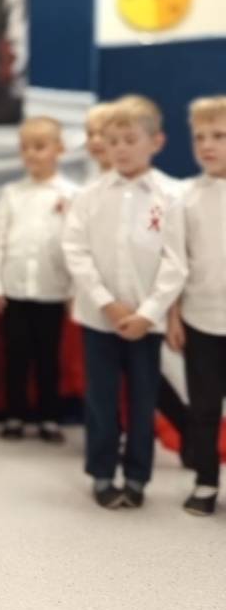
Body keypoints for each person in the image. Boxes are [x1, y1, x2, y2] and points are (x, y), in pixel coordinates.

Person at [62, 96, 186, 509]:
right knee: (101, 398)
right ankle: (102, 473)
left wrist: (148, 313)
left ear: (156, 142)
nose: (120, 149)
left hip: (146, 322)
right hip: (100, 319)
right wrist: (107, 304)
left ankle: (136, 476)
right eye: (113, 141)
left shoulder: (172, 195)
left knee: (143, 399)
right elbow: (75, 250)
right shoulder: (89, 195)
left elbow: (175, 261)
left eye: (130, 140)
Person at [0, 117, 76, 442]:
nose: (32, 154)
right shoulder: (12, 194)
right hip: (16, 289)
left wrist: (73, 289)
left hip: (52, 289)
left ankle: (49, 417)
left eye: (40, 146)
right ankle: (15, 415)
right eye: (25, 147)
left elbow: (77, 245)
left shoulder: (71, 194)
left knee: (48, 357)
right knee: (16, 357)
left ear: (59, 149)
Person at [165, 96, 226, 516]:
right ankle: (205, 481)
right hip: (201, 319)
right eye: (200, 137)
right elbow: (175, 261)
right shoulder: (185, 197)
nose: (207, 145)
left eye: (219, 136)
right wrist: (173, 315)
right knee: (203, 407)